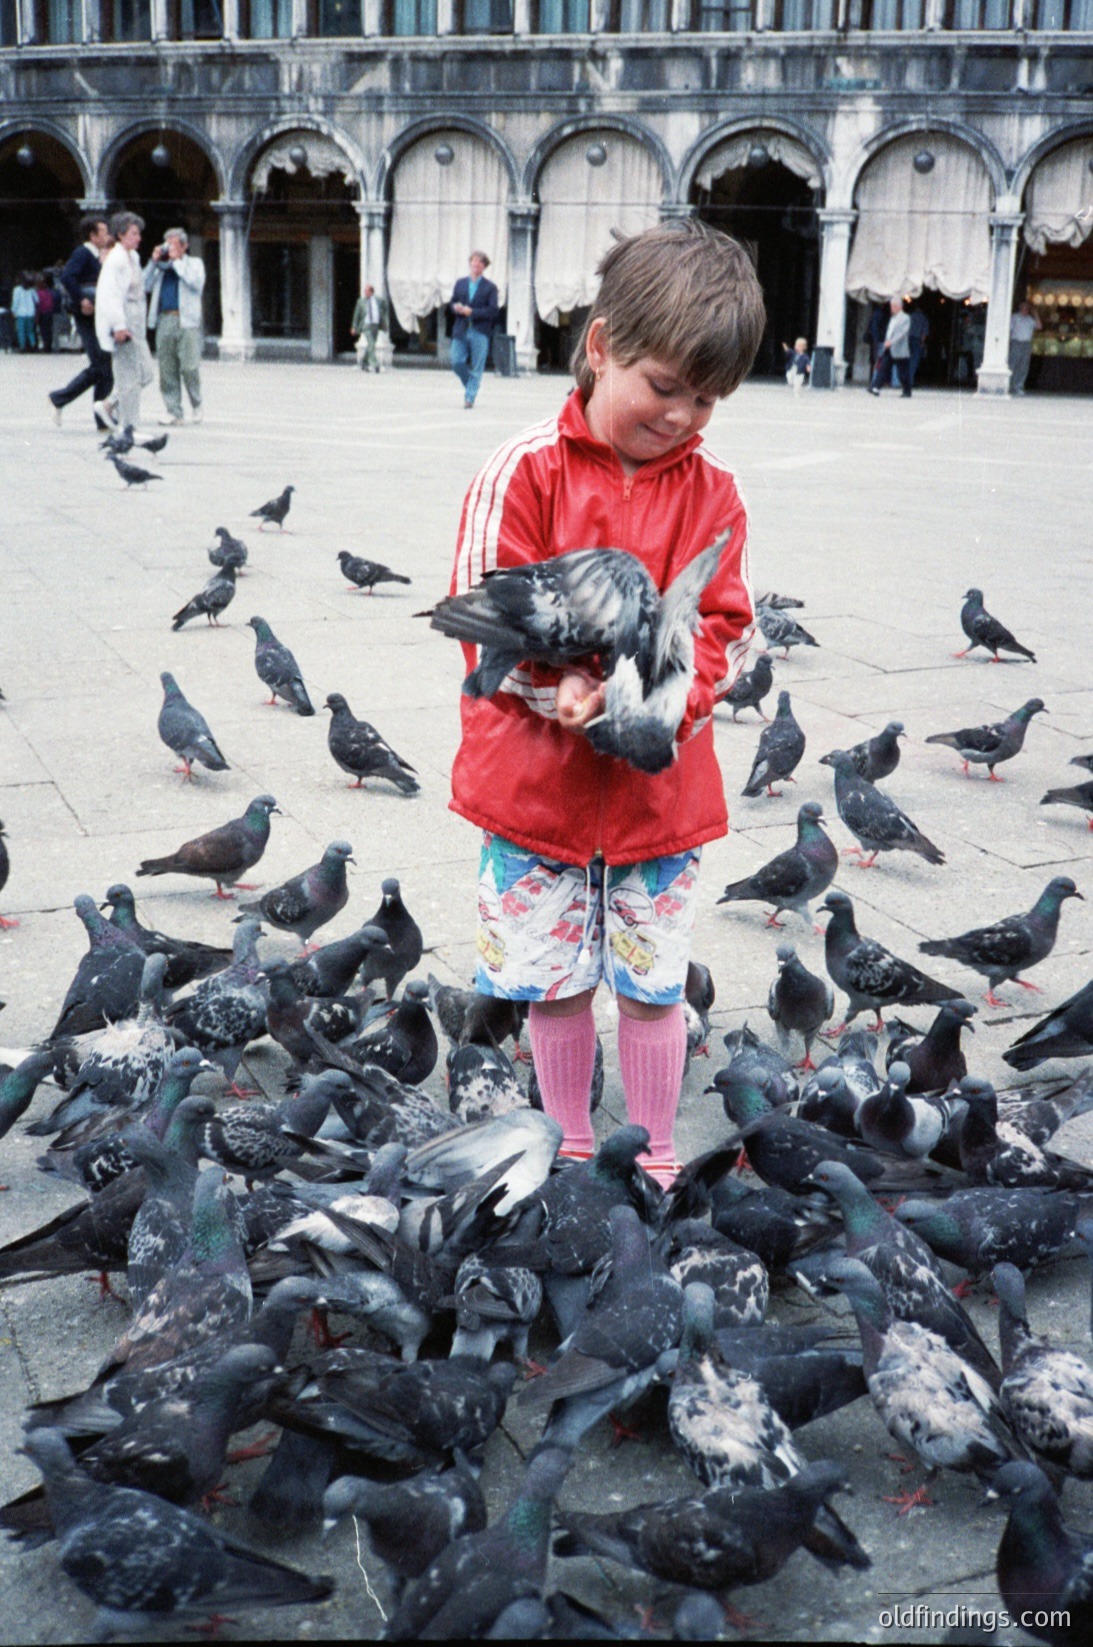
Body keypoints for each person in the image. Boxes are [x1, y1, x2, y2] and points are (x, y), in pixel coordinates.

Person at [447, 221, 764, 1187]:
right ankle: (572, 1141)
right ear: (598, 347)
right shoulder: (523, 468)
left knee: (655, 986)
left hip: (656, 802)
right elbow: (479, 618)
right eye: (663, 387)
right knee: (554, 986)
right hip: (534, 792)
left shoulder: (714, 494)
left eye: (704, 400)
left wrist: (669, 703)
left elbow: (727, 625)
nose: (680, 416)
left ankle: (659, 1148)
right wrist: (561, 691)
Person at [49, 215, 115, 429]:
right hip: (85, 316)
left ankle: (100, 416)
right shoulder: (83, 253)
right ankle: (60, 397)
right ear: (92, 235)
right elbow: (68, 276)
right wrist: (81, 298)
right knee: (100, 365)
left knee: (103, 367)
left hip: (94, 316)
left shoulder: (95, 256)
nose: (106, 235)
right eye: (103, 231)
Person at [95, 211, 154, 434]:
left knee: (146, 373)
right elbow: (110, 295)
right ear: (121, 235)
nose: (138, 238)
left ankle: (109, 404)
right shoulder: (116, 260)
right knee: (129, 378)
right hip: (125, 325)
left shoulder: (133, 258)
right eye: (134, 233)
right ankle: (129, 427)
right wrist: (119, 325)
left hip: (137, 326)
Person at [144, 227, 206, 425]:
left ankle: (196, 403)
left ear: (184, 246)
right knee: (167, 367)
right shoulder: (161, 267)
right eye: (167, 244)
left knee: (189, 366)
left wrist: (177, 262)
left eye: (174, 244)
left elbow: (196, 283)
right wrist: (154, 261)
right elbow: (144, 285)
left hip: (187, 320)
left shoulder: (194, 264)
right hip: (164, 318)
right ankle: (173, 410)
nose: (169, 248)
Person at [448, 250, 499, 409]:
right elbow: (452, 302)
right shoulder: (460, 283)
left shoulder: (490, 287)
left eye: (480, 262)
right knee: (456, 361)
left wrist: (473, 312)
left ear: (484, 266)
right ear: (470, 263)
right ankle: (471, 385)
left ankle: (469, 398)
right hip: (461, 328)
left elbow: (493, 311)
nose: (476, 264)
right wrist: (455, 307)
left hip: (479, 330)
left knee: (477, 365)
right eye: (474, 261)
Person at [869, 297, 911, 398]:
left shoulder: (905, 318)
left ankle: (907, 391)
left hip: (900, 350)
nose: (891, 308)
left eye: (893, 306)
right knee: (883, 367)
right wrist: (887, 341)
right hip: (889, 348)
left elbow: (902, 333)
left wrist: (891, 342)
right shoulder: (893, 317)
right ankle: (875, 387)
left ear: (898, 306)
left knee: (903, 372)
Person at [350, 283, 387, 373]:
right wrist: (354, 326)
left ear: (371, 291)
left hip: (375, 325)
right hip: (366, 325)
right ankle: (375, 364)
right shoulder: (361, 301)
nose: (365, 292)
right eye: (365, 291)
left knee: (372, 344)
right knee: (371, 343)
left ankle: (363, 363)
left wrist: (383, 320)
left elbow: (384, 308)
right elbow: (356, 315)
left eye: (366, 291)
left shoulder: (379, 300)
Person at [1008, 300, 1041, 396]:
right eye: (1025, 308)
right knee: (1013, 364)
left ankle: (1018, 386)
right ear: (1021, 308)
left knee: (1023, 366)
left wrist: (1035, 314)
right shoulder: (1015, 317)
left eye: (1028, 309)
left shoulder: (1030, 319)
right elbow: (1009, 329)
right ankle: (1009, 385)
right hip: (1016, 342)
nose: (1026, 310)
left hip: (1026, 344)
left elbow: (1039, 326)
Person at [11, 273, 37, 351]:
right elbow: (37, 300)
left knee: (21, 331)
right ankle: (33, 345)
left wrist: (13, 311)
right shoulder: (32, 290)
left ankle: (22, 346)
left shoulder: (17, 290)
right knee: (30, 331)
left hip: (21, 313)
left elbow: (15, 302)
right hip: (31, 313)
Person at [907, 303, 930, 389]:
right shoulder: (924, 318)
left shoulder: (910, 316)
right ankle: (910, 381)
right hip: (917, 340)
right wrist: (922, 343)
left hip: (908, 339)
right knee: (914, 361)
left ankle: (905, 380)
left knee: (907, 360)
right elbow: (924, 333)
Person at [35, 274, 55, 353]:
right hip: (49, 313)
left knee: (44, 331)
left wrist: (37, 315)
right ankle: (48, 346)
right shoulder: (48, 292)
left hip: (42, 313)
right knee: (48, 330)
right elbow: (51, 303)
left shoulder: (38, 293)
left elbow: (38, 305)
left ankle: (46, 347)